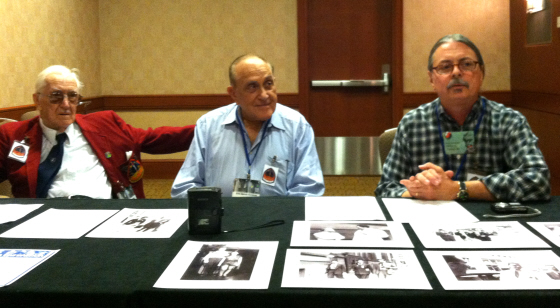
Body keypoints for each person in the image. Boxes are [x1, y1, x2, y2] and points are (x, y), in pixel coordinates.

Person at [375, 34, 550, 202]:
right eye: (445, 67)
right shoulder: (412, 124)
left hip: (490, 223)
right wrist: (420, 192)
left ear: (481, 73)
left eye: (466, 64)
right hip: (428, 221)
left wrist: (459, 189)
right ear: (431, 79)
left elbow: (538, 180)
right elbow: (385, 189)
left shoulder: (508, 121)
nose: (457, 72)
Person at [0, 65, 195, 198]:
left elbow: (154, 139)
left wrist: (205, 128)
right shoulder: (12, 134)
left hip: (107, 215)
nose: (66, 105)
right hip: (44, 222)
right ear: (37, 100)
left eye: (73, 96)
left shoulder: (104, 123)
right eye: (56, 96)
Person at [171, 54, 324, 197]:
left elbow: (309, 189)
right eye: (252, 87)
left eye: (268, 84)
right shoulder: (208, 125)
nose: (264, 95)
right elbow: (184, 187)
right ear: (234, 94)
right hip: (221, 218)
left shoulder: (297, 126)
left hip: (278, 220)